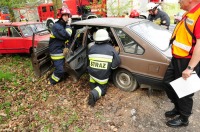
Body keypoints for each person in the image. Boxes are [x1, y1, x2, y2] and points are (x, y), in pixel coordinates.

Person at [162, 0, 200, 127]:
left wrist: (190, 68)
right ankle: (178, 108)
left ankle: (184, 119)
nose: (178, 1)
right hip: (177, 58)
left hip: (188, 61)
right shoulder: (189, 13)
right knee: (167, 83)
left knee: (185, 91)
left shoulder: (198, 15)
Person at [87, 29, 121, 107]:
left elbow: (88, 60)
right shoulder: (110, 49)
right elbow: (117, 62)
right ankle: (94, 94)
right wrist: (111, 67)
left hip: (91, 74)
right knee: (102, 90)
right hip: (102, 76)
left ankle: (93, 88)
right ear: (107, 39)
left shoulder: (91, 48)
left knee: (93, 83)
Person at [48, 7, 72, 85]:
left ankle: (60, 77)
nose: (66, 17)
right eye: (64, 15)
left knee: (62, 67)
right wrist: (68, 26)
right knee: (60, 70)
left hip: (60, 49)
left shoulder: (62, 25)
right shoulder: (57, 27)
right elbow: (67, 35)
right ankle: (52, 80)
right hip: (56, 52)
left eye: (67, 15)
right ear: (60, 16)